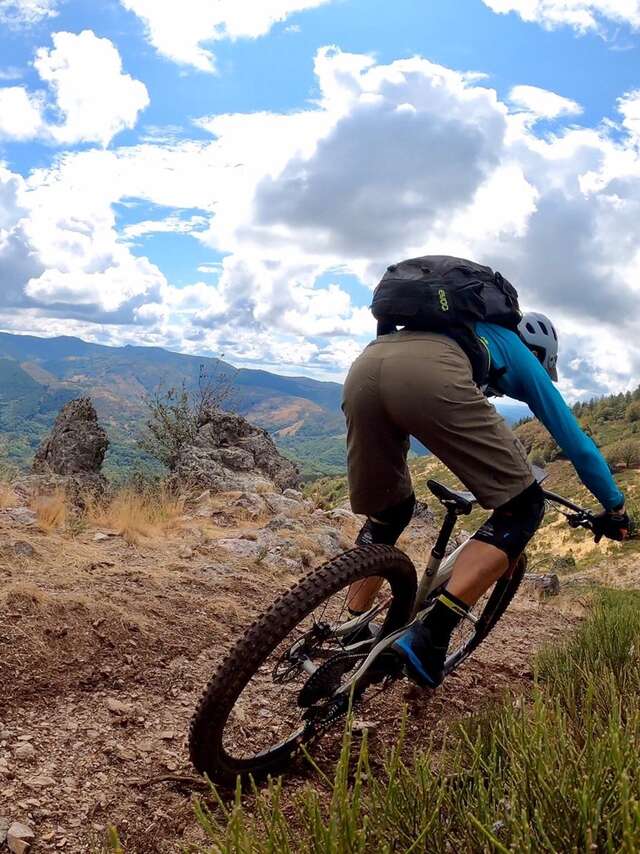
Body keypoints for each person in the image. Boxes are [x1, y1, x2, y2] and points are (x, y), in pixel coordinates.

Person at [342, 282, 629, 689]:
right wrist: (614, 507)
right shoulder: (516, 351)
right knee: (524, 507)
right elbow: (578, 446)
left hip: (365, 366)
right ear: (540, 354)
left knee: (389, 511)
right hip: (431, 377)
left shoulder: (457, 330)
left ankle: (351, 627)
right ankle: (431, 635)